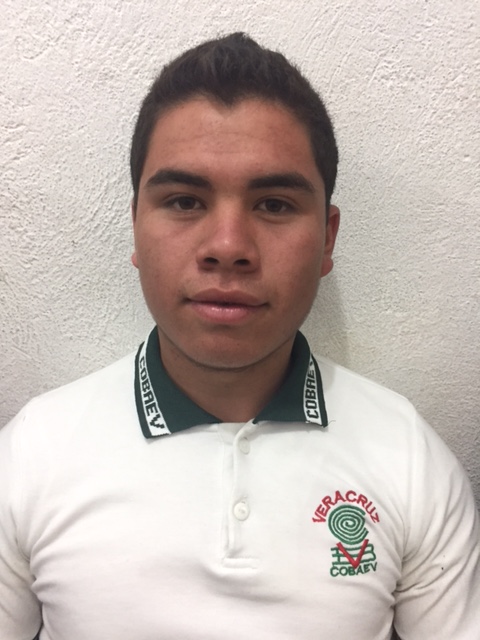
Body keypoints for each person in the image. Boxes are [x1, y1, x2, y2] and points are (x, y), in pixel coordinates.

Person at [0, 33, 478, 640]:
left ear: (327, 239)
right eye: (184, 201)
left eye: (274, 205)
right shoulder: (32, 455)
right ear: (136, 226)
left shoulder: (409, 459)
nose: (228, 247)